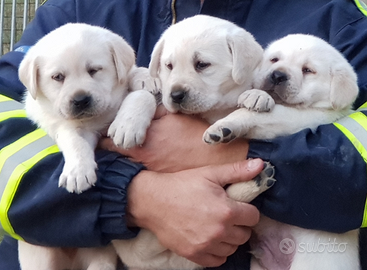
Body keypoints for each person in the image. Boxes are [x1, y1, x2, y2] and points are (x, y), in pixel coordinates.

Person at [0, 0, 366, 269]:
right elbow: (9, 130)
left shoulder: (335, 16)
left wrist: (233, 155)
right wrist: (131, 196)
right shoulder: (73, 11)